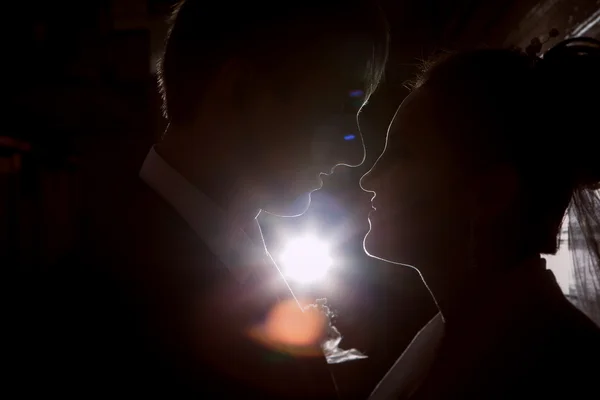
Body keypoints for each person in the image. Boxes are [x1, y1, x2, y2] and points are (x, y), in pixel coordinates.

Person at [27, 0, 388, 398]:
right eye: (339, 108)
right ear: (241, 91)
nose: (354, 153)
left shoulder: (225, 261)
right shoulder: (99, 307)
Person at [361, 37, 600, 399]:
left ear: (490, 194)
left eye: (402, 154)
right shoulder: (457, 328)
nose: (368, 178)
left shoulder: (546, 368)